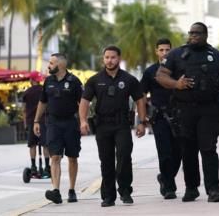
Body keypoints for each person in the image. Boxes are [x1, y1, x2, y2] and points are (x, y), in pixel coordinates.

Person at [156, 22, 219, 203]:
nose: (193, 35)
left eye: (197, 33)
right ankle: (191, 188)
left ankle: (213, 189)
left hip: (210, 109)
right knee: (188, 150)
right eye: (191, 32)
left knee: (208, 148)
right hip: (184, 109)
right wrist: (176, 84)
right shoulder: (177, 54)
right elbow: (161, 76)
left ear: (205, 35)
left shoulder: (217, 56)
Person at [79, 45, 148, 207]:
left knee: (124, 156)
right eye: (107, 57)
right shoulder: (95, 80)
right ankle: (108, 196)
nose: (109, 61)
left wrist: (142, 122)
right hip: (102, 125)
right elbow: (84, 102)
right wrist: (83, 120)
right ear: (103, 59)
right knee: (106, 161)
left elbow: (140, 100)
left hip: (122, 124)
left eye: (113, 57)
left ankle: (125, 191)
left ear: (119, 59)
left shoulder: (129, 79)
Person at [33, 54, 83, 204]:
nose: (49, 66)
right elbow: (42, 102)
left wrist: (83, 121)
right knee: (55, 156)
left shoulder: (74, 81)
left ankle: (72, 190)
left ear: (60, 65)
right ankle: (56, 190)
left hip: (71, 123)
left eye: (51, 63)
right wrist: (36, 120)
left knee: (72, 157)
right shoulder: (48, 81)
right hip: (53, 123)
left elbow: (83, 103)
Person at [140, 38, 181, 199]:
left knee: (179, 152)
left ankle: (164, 178)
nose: (165, 53)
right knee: (165, 153)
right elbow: (141, 96)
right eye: (161, 50)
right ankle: (169, 187)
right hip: (159, 117)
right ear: (156, 51)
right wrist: (143, 119)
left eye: (167, 49)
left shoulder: (178, 69)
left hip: (178, 116)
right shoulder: (150, 71)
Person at [23, 71, 50, 176]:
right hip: (43, 121)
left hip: (31, 122)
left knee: (32, 144)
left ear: (31, 80)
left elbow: (24, 110)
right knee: (45, 145)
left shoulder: (27, 93)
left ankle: (33, 167)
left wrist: (25, 124)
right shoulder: (44, 91)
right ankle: (47, 167)